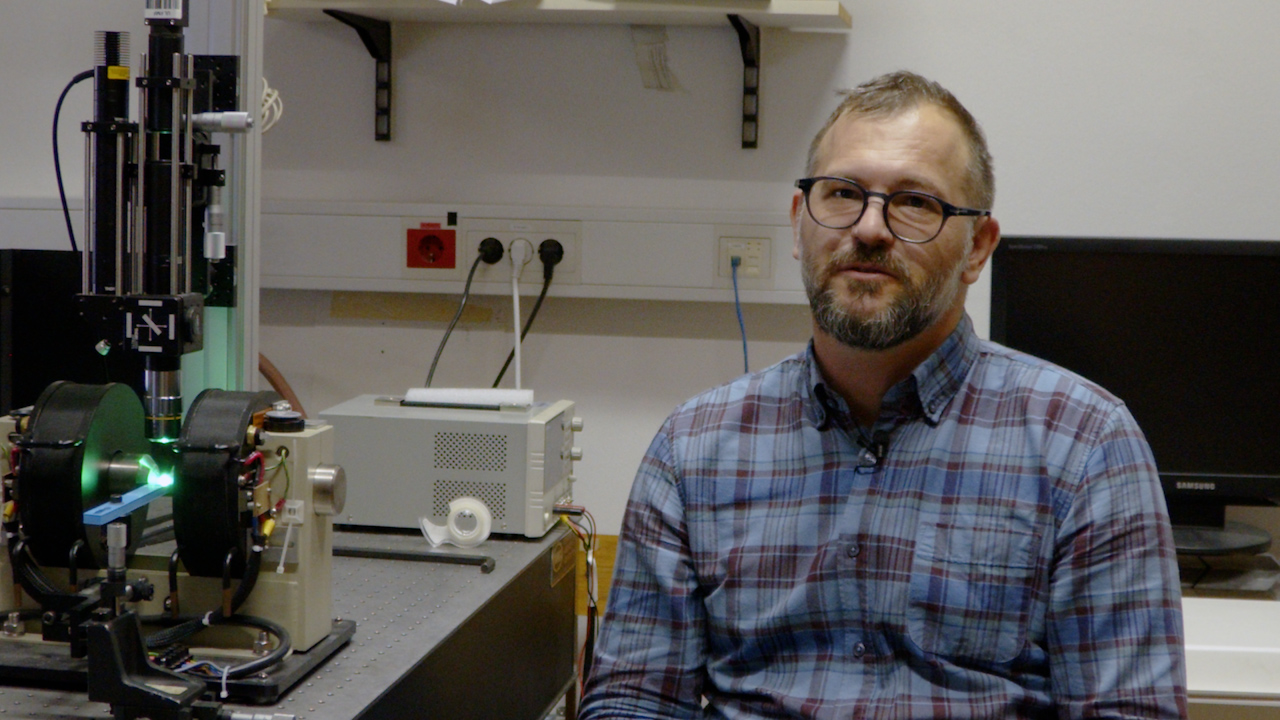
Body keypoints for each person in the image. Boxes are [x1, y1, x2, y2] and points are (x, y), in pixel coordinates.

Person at [578, 70, 1186, 719]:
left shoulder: (1085, 444)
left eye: (915, 202)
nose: (869, 228)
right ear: (798, 222)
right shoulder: (694, 449)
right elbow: (633, 701)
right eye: (843, 193)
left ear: (978, 247)